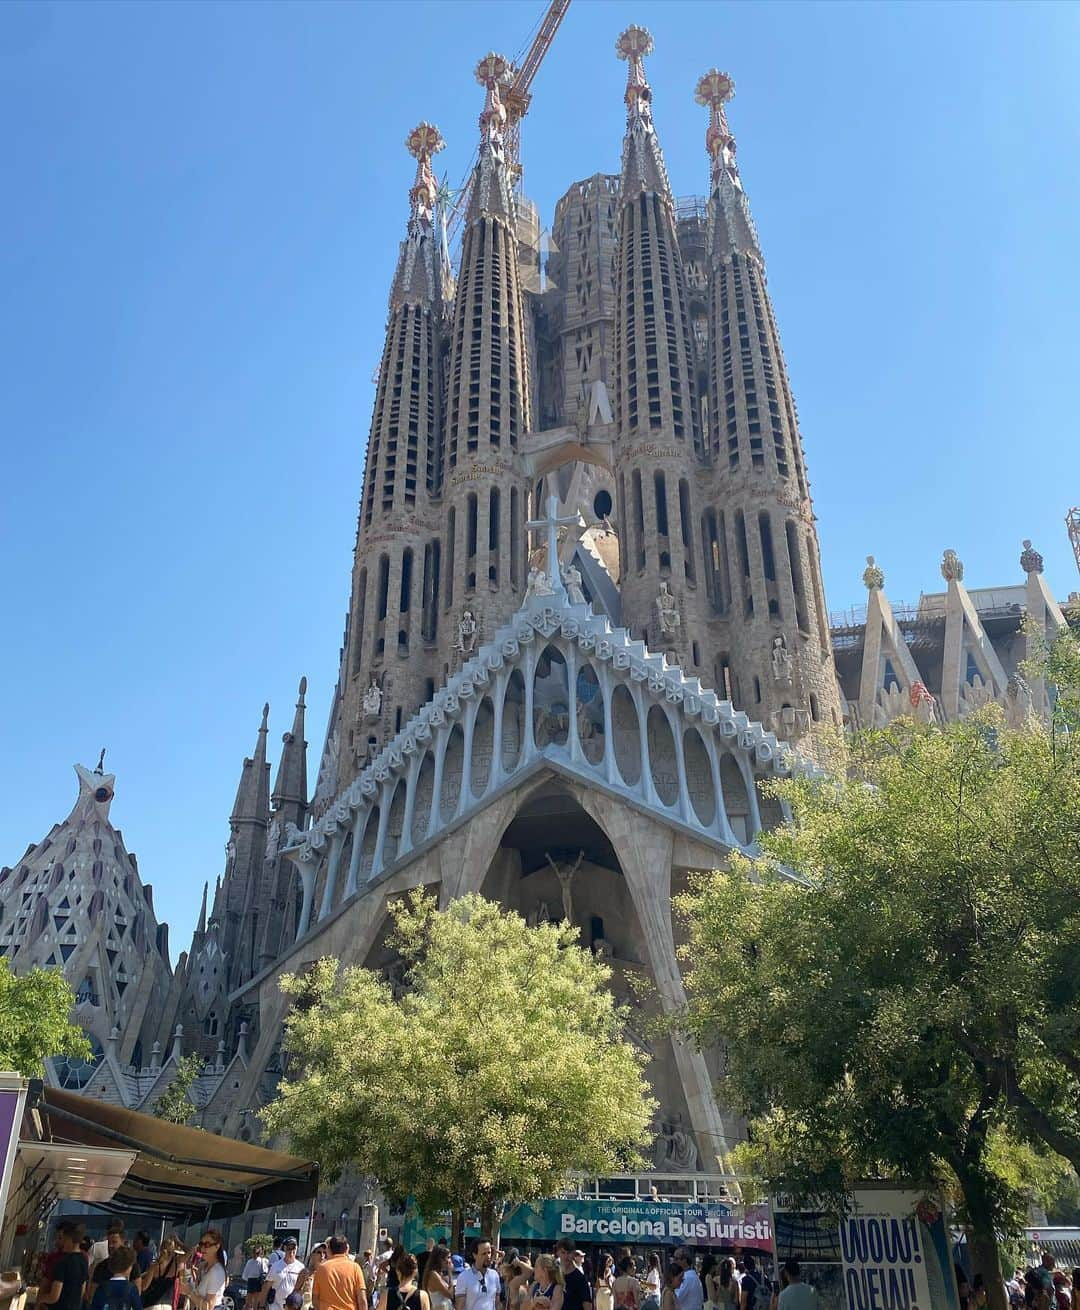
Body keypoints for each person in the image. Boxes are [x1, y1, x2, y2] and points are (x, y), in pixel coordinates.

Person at [39, 1222, 88, 1310]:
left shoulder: (63, 1262)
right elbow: (82, 1290)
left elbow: (54, 1296)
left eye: (63, 1239)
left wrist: (41, 1298)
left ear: (69, 1239)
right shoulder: (83, 1260)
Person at [311, 1235, 367, 1310]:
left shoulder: (321, 1269)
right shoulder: (355, 1268)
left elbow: (315, 1300)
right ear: (346, 1249)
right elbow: (362, 1300)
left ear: (329, 1250)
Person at [182, 1231, 228, 1310]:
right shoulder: (203, 1266)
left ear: (217, 1246)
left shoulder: (216, 1271)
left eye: (207, 1245)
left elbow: (209, 1307)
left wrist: (189, 1292)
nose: (202, 1248)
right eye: (201, 1244)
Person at [140, 1237, 186, 1310]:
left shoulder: (154, 1266)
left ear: (160, 1249)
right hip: (168, 1305)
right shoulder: (177, 1266)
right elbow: (191, 1252)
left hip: (152, 1304)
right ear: (173, 1251)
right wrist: (179, 1242)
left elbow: (144, 1287)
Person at [455, 1241, 498, 1310]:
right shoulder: (464, 1277)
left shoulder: (494, 1275)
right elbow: (460, 1307)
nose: (488, 1256)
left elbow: (497, 1302)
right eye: (484, 1253)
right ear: (474, 1255)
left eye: (489, 1252)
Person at [554, 1241, 591, 1310]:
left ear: (573, 1254)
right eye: (563, 1252)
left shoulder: (580, 1278)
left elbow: (587, 1304)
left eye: (568, 1253)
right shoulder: (553, 1275)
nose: (566, 1256)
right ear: (558, 1253)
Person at [269, 1242, 307, 1308]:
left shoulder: (301, 1267)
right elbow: (267, 1286)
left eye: (293, 1249)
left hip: (293, 1306)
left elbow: (302, 1287)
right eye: (289, 1248)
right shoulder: (275, 1265)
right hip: (276, 1305)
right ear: (285, 1248)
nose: (291, 1251)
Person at [243, 1245, 269, 1310]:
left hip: (255, 1281)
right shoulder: (262, 1261)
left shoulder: (260, 1261)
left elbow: (245, 1275)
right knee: (253, 1302)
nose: (255, 1254)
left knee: (251, 1302)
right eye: (254, 1252)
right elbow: (265, 1272)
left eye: (256, 1253)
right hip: (254, 1281)